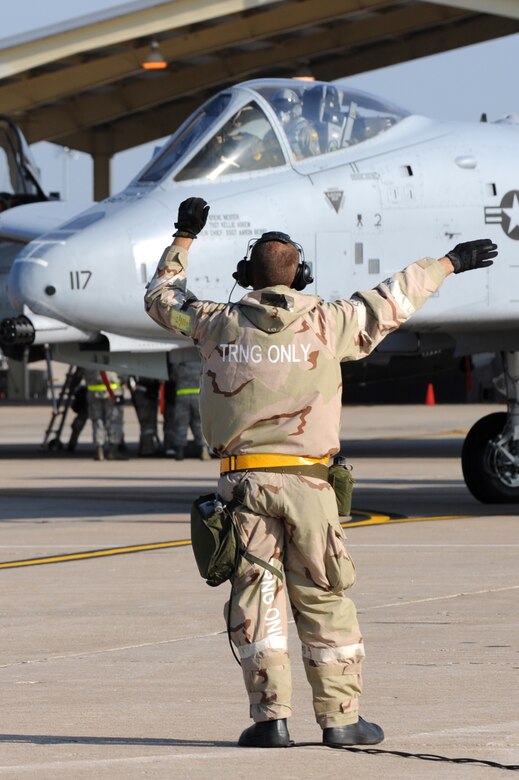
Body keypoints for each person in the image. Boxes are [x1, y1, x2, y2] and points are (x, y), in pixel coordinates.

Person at [144, 198, 497, 748]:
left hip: (245, 484)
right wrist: (449, 262)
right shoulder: (329, 322)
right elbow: (394, 297)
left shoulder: (217, 323)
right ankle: (341, 720)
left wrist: (185, 236)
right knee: (325, 594)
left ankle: (271, 721)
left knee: (256, 596)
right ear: (301, 275)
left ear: (245, 277)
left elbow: (162, 298)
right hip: (310, 485)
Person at [167, 359, 210, 460]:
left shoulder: (178, 364)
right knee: (198, 424)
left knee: (181, 424)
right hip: (197, 397)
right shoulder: (202, 363)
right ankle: (203, 449)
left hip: (182, 397)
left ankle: (179, 452)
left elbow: (173, 377)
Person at [84, 369, 128, 461]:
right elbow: (124, 373)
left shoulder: (86, 356)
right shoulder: (115, 356)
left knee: (97, 420)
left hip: (93, 391)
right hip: (113, 391)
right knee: (114, 420)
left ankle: (99, 450)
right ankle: (113, 450)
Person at [271, 88, 320, 160]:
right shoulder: (274, 132)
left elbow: (317, 160)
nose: (281, 112)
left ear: (295, 108)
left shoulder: (306, 131)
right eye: (278, 107)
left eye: (285, 107)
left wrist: (296, 158)